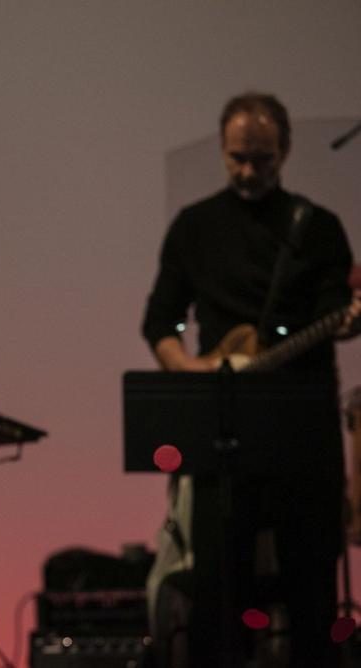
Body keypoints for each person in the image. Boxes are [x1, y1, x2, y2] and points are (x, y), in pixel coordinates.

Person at [141, 92, 361, 666]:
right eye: (237, 157)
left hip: (302, 431)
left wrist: (347, 321)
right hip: (224, 435)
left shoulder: (317, 228)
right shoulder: (194, 226)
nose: (247, 171)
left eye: (261, 159)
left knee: (313, 594)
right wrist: (191, 372)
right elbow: (159, 322)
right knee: (218, 596)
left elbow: (338, 313)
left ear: (284, 152)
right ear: (222, 148)